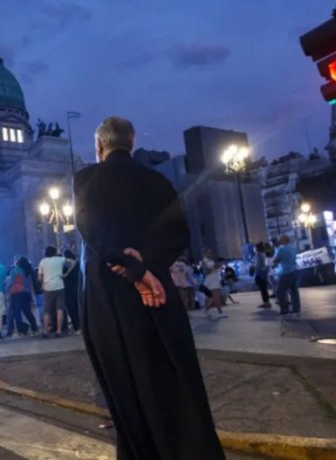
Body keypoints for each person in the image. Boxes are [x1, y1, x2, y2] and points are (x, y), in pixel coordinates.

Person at [74, 116, 223, 459]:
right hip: (157, 293)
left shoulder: (86, 179)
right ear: (132, 141)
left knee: (125, 390)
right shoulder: (156, 181)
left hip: (107, 303)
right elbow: (178, 235)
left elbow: (93, 232)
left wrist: (133, 271)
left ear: (99, 147)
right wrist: (146, 267)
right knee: (172, 381)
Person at [38, 246, 68, 338]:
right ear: (55, 252)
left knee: (46, 311)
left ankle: (46, 331)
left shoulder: (43, 262)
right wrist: (66, 273)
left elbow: (39, 277)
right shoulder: (60, 259)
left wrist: (43, 284)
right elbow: (72, 262)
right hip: (59, 286)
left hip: (48, 287)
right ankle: (59, 331)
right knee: (59, 310)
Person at [272, 235, 301, 317]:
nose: (278, 240)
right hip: (294, 271)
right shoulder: (292, 249)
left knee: (279, 291)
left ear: (282, 240)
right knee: (294, 291)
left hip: (285, 272)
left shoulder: (281, 249)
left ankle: (284, 310)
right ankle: (296, 309)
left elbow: (275, 260)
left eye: (279, 239)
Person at [200, 249, 227, 318]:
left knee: (215, 296)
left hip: (216, 278)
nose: (210, 253)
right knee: (216, 296)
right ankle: (220, 312)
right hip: (211, 280)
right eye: (208, 252)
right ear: (205, 253)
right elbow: (205, 272)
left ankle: (206, 310)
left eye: (210, 252)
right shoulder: (204, 261)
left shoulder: (211, 260)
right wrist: (214, 268)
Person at [62, 249, 81, 334]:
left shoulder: (65, 264)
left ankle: (76, 327)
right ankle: (82, 325)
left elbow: (63, 275)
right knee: (79, 307)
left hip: (68, 289)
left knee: (71, 308)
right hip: (78, 287)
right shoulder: (78, 263)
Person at [253, 243, 272, 309]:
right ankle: (267, 302)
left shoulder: (257, 255)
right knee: (264, 288)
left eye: (254, 248)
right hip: (264, 273)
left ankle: (265, 302)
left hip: (260, 273)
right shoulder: (264, 254)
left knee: (262, 288)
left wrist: (253, 267)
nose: (254, 249)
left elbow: (258, 265)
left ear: (257, 248)